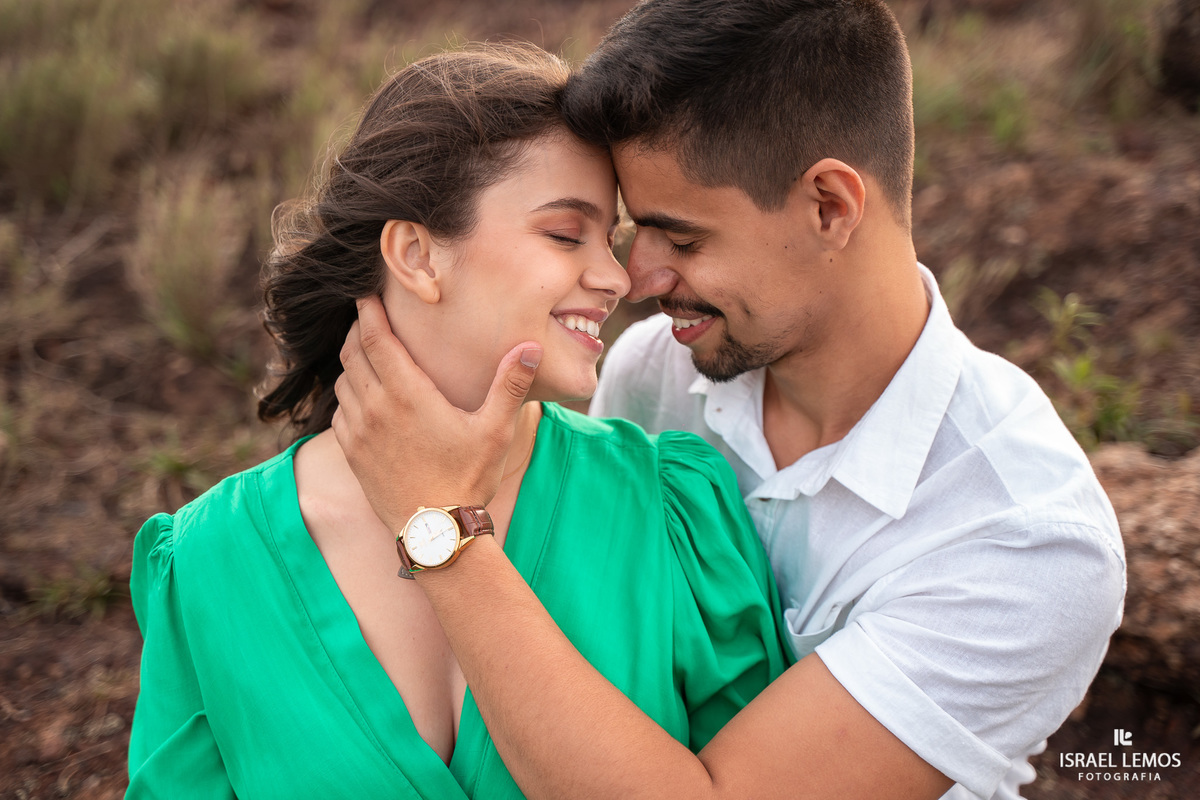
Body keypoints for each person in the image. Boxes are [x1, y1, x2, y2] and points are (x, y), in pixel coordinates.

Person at [332, 2, 1127, 799]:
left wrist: (437, 523)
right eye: (631, 233)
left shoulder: (1027, 542)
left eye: (682, 240)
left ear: (830, 208)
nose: (636, 282)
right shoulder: (653, 374)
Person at [125, 44, 789, 799]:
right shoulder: (212, 560)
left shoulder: (674, 515)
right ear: (416, 254)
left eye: (611, 240)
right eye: (568, 234)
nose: (616, 277)